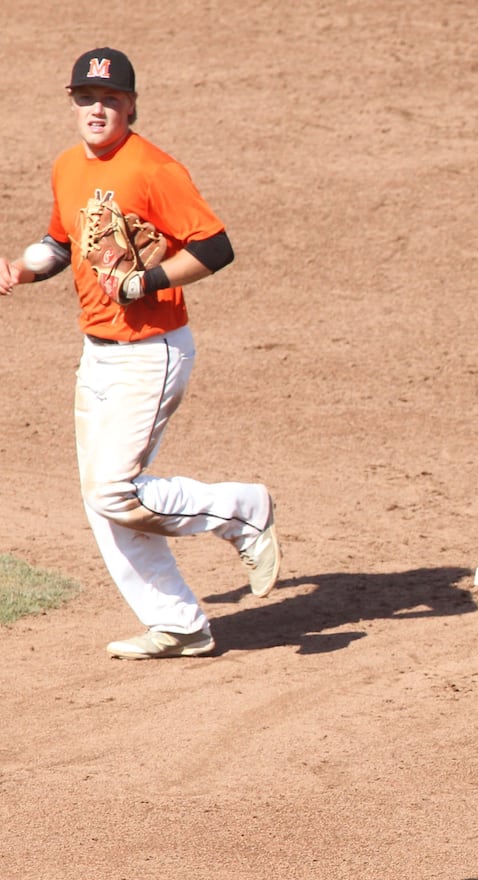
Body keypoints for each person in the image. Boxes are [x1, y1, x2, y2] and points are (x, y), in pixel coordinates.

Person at [0, 47, 280, 659]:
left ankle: (241, 510)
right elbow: (58, 241)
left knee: (113, 491)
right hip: (96, 353)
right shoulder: (68, 167)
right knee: (105, 503)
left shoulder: (154, 169)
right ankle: (178, 623)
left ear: (130, 105)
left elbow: (216, 247)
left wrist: (145, 282)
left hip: (151, 351)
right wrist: (19, 268)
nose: (97, 108)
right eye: (86, 97)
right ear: (72, 102)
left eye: (110, 99)